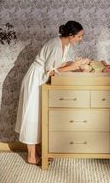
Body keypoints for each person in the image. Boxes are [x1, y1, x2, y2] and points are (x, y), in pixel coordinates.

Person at [15, 21, 85, 165]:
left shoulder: (65, 45)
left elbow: (58, 64)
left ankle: (41, 149)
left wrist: (76, 65)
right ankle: (31, 156)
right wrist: (73, 67)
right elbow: (51, 71)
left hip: (41, 78)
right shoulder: (55, 45)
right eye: (79, 36)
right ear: (71, 35)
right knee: (32, 115)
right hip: (36, 79)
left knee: (41, 115)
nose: (81, 39)